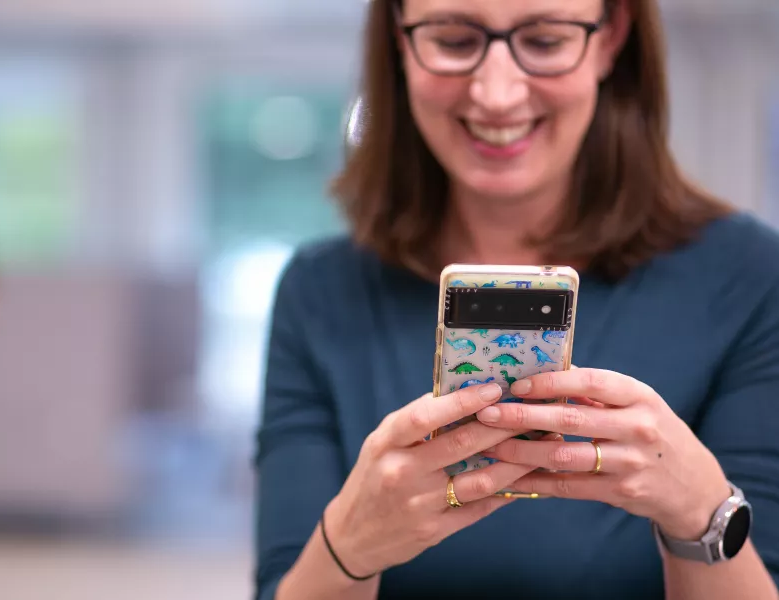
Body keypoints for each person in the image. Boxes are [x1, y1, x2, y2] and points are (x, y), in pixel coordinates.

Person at [254, 0, 779, 599]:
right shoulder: (319, 293)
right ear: (399, 40)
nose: (497, 93)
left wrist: (700, 512)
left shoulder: (750, 277)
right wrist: (348, 544)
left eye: (546, 40)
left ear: (611, 39)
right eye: (453, 41)